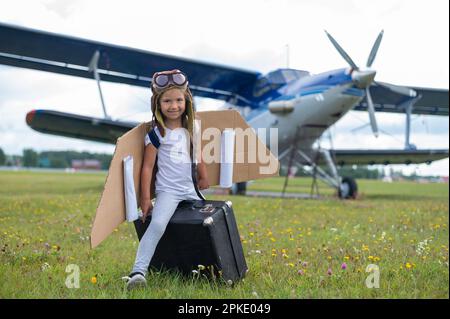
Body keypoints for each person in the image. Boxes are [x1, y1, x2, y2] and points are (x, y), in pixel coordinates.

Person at [123, 69, 209, 290]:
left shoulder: (192, 127)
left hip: (191, 189)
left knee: (207, 224)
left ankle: (203, 269)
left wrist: (204, 176)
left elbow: (197, 154)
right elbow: (147, 167)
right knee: (158, 224)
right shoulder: (156, 133)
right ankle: (138, 271)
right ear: (157, 104)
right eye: (167, 101)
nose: (174, 106)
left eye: (179, 100)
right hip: (168, 192)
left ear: (186, 100)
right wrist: (145, 199)